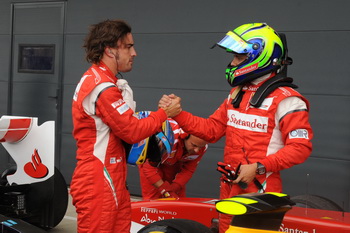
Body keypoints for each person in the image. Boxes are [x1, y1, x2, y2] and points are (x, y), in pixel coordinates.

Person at [160, 22, 313, 233]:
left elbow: (300, 148)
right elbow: (211, 130)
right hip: (229, 187)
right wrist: (178, 114)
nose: (232, 62)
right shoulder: (237, 94)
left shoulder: (288, 100)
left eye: (239, 57)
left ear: (260, 55)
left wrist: (259, 167)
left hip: (261, 191)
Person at [70, 19, 181, 233]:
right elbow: (131, 131)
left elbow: (126, 126)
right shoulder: (102, 86)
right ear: (110, 50)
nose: (134, 53)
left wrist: (155, 117)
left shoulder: (104, 80)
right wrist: (164, 114)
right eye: (129, 46)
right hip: (98, 178)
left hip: (111, 174)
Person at [138, 118, 208, 200]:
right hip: (152, 162)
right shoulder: (169, 138)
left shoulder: (202, 147)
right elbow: (149, 167)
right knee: (153, 201)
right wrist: (163, 189)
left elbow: (188, 170)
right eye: (194, 145)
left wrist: (174, 188)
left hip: (174, 163)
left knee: (178, 198)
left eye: (200, 147)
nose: (196, 150)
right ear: (185, 136)